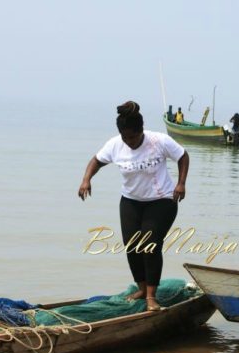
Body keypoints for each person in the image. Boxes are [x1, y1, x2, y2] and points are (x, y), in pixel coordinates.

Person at [78, 101, 190, 312]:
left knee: (149, 245)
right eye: (125, 137)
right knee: (131, 246)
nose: (129, 141)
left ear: (142, 130)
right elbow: (96, 161)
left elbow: (183, 156)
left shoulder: (158, 141)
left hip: (162, 201)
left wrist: (181, 183)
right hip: (130, 201)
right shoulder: (114, 145)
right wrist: (86, 180)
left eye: (133, 137)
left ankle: (151, 296)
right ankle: (141, 288)